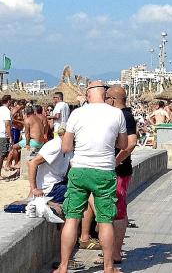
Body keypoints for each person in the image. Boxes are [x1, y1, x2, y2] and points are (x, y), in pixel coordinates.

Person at [54, 81, 127, 273]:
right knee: (105, 220)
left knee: (71, 219)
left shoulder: (77, 113)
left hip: (79, 171)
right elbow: (123, 143)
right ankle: (108, 267)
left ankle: (63, 267)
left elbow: (66, 147)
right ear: (104, 95)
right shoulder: (116, 113)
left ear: (88, 95)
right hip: (104, 172)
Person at [105, 86, 138, 264]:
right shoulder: (124, 115)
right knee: (116, 209)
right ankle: (112, 250)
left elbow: (131, 143)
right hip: (118, 169)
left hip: (119, 170)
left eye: (106, 98)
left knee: (118, 211)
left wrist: (115, 161)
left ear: (112, 100)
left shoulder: (124, 116)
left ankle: (116, 253)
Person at [27, 124, 70, 203]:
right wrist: (34, 189)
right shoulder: (55, 145)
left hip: (57, 183)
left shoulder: (67, 147)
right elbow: (32, 163)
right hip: (49, 188)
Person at [0, 95, 12, 180]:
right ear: (8, 101)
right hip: (3, 135)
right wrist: (10, 136)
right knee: (2, 155)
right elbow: (7, 124)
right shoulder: (6, 111)